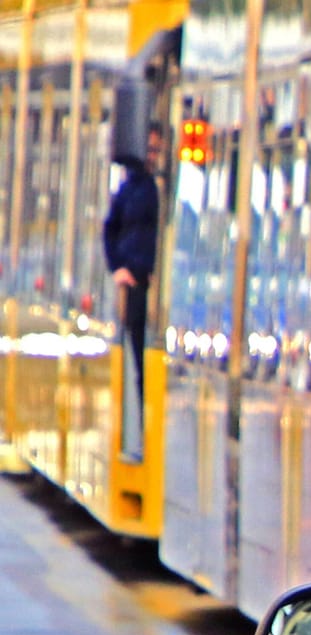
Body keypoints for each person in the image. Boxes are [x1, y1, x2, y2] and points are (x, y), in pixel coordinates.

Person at [103, 123, 164, 461]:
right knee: (134, 357)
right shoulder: (132, 189)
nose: (154, 156)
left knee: (142, 360)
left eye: (158, 150)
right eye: (151, 150)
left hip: (147, 282)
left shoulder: (154, 188)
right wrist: (120, 269)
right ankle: (134, 436)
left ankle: (141, 437)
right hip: (135, 283)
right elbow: (110, 229)